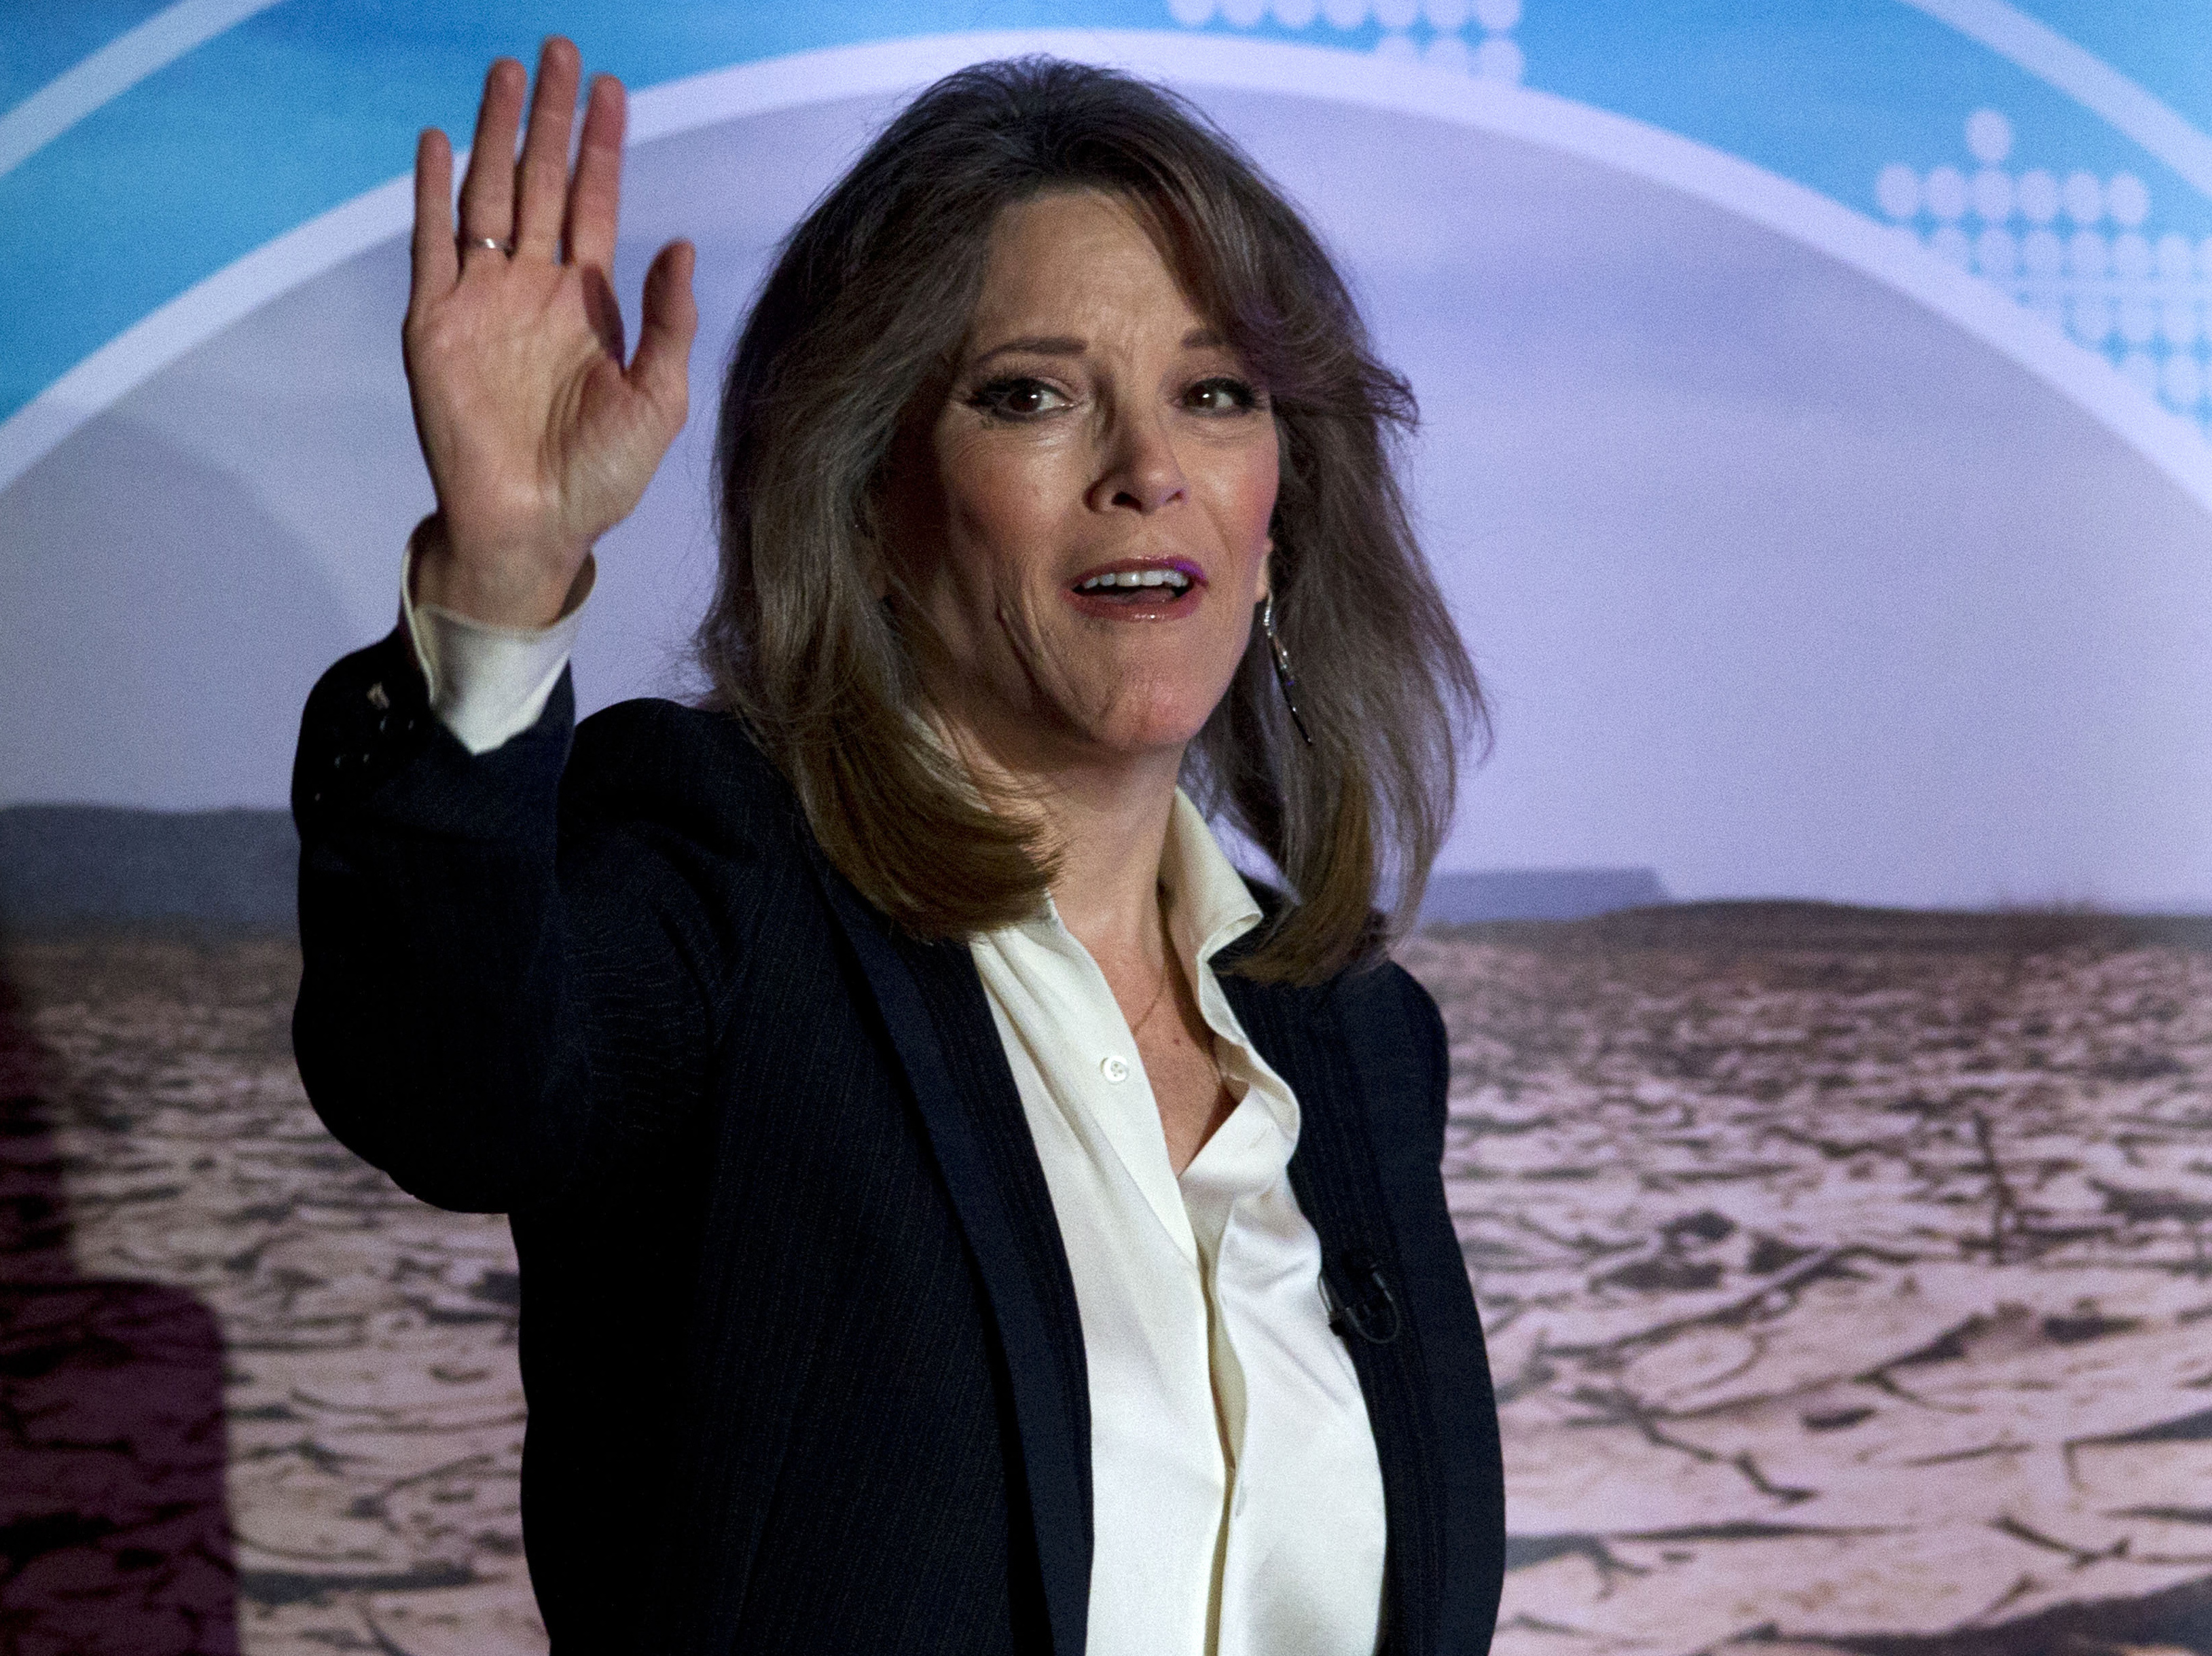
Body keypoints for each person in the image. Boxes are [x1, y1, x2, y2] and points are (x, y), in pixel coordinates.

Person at [292, 37, 1503, 1656]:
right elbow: (454, 1083)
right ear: (870, 498)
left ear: (1276, 514)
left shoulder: (1358, 1034)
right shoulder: (728, 883)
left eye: (1215, 394)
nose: (1149, 469)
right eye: (1033, 396)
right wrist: (497, 584)